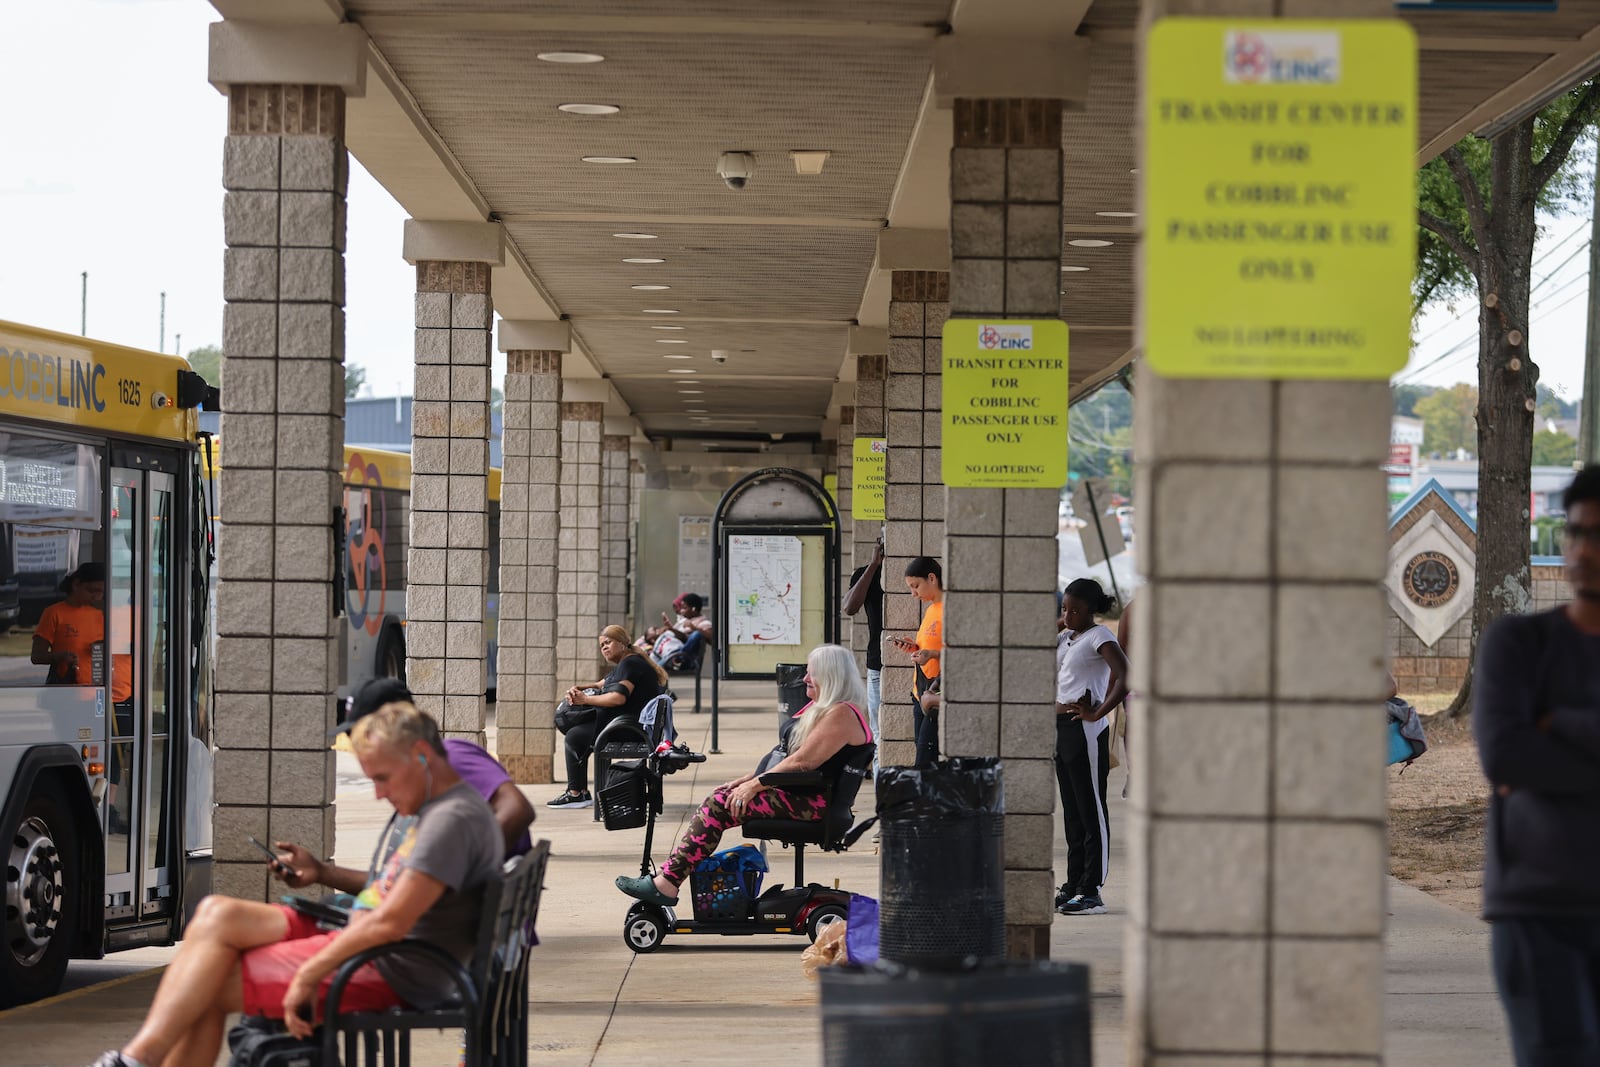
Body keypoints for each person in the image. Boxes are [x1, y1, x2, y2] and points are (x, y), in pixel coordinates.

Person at [85, 702, 503, 1067]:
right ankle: (138, 1058)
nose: (378, 794)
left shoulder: (450, 821)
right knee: (217, 913)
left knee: (207, 985)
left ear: (422, 755)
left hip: (390, 964)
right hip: (365, 937)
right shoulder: (445, 807)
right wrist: (321, 873)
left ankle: (138, 1059)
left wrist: (308, 975)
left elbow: (389, 924)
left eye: (383, 778)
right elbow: (392, 892)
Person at [1474, 464, 1600, 1067]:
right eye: (1575, 533)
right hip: (1538, 910)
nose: (1582, 552)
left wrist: (1564, 727)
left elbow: (1530, 759)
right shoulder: (1516, 644)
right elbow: (1504, 754)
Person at [615, 644, 871, 906]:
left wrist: (755, 786)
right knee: (720, 795)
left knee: (718, 805)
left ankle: (667, 883)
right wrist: (748, 780)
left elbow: (803, 762)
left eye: (811, 673)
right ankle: (668, 876)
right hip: (797, 792)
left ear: (831, 676)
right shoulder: (827, 709)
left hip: (812, 803)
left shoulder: (841, 714)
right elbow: (784, 757)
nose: (805, 678)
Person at [269, 679, 533, 891]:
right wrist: (321, 872)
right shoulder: (425, 786)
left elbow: (518, 809)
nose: (355, 739)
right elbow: (397, 884)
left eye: (363, 729)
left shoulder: (452, 758)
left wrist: (459, 867)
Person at [1053, 577, 1128, 917]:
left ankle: (1092, 890)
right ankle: (1073, 884)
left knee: (1091, 809)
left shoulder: (1101, 636)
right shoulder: (1067, 637)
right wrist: (1063, 624)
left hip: (1085, 729)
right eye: (1064, 608)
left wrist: (1098, 711)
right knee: (1072, 811)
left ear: (1091, 611)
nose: (1068, 615)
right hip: (1060, 729)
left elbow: (1125, 674)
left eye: (1075, 610)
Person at [548, 624, 667, 809]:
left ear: (622, 643)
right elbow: (602, 684)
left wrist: (585, 699)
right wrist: (580, 688)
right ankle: (579, 792)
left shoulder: (630, 663)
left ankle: (576, 793)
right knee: (581, 732)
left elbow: (618, 698)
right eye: (601, 645)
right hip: (632, 725)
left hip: (630, 729)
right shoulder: (629, 662)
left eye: (608, 642)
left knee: (575, 736)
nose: (604, 647)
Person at [889, 556, 943, 767]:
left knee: (925, 761)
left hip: (936, 692)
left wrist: (932, 654)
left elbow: (961, 654)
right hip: (919, 691)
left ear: (932, 578)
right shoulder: (931, 609)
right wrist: (915, 648)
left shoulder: (952, 610)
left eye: (915, 586)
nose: (913, 593)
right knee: (922, 757)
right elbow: (931, 647)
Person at [842, 533, 885, 775]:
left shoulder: (910, 576)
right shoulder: (866, 574)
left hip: (910, 660)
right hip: (876, 663)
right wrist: (873, 565)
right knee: (878, 733)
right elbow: (849, 607)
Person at [637, 592, 712, 667]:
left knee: (696, 634)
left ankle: (676, 659)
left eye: (684, 608)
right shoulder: (683, 621)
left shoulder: (704, 623)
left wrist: (694, 628)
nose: (681, 611)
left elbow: (711, 639)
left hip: (682, 657)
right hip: (667, 652)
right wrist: (670, 629)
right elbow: (674, 637)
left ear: (693, 609)